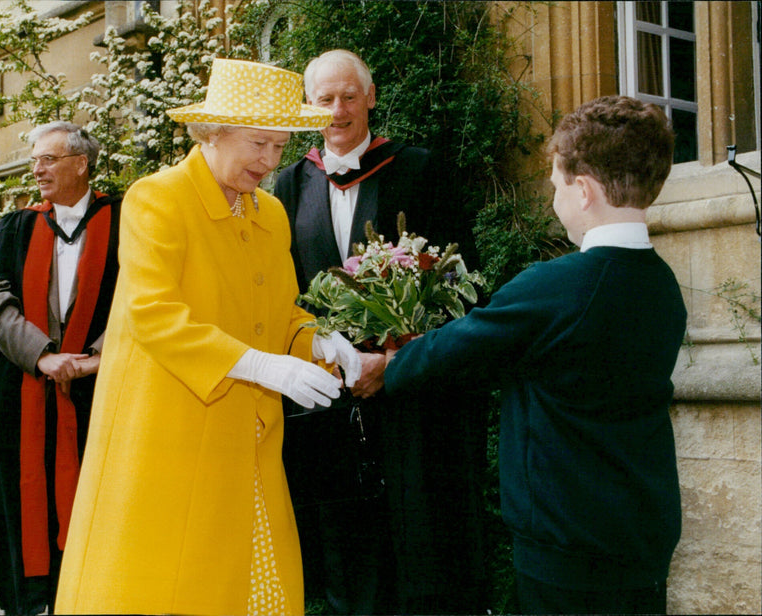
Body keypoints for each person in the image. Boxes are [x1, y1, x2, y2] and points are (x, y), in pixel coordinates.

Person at [53, 59, 361, 616]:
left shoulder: (269, 212)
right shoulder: (158, 198)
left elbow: (279, 314)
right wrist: (265, 367)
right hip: (169, 437)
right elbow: (153, 314)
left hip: (247, 440)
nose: (269, 162)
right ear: (212, 132)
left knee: (258, 593)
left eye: (280, 146)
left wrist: (317, 342)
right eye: (257, 143)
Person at [383, 95, 687, 614]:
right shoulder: (663, 285)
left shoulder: (557, 285)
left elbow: (455, 350)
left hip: (568, 549)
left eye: (556, 186)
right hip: (639, 540)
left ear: (584, 189)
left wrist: (388, 365)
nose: (554, 201)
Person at [275, 49, 488, 614]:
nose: (339, 110)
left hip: (410, 392)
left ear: (371, 98)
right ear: (309, 106)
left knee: (421, 542)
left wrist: (399, 352)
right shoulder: (286, 186)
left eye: (350, 96)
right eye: (326, 99)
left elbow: (460, 279)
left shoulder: (421, 170)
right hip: (329, 400)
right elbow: (281, 291)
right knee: (347, 549)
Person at [0, 121, 121, 616]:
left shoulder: (124, 221)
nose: (36, 169)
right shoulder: (16, 227)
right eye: (35, 160)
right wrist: (42, 355)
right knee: (24, 504)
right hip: (26, 395)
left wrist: (96, 355)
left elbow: (140, 297)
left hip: (100, 393)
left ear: (81, 163)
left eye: (48, 159)